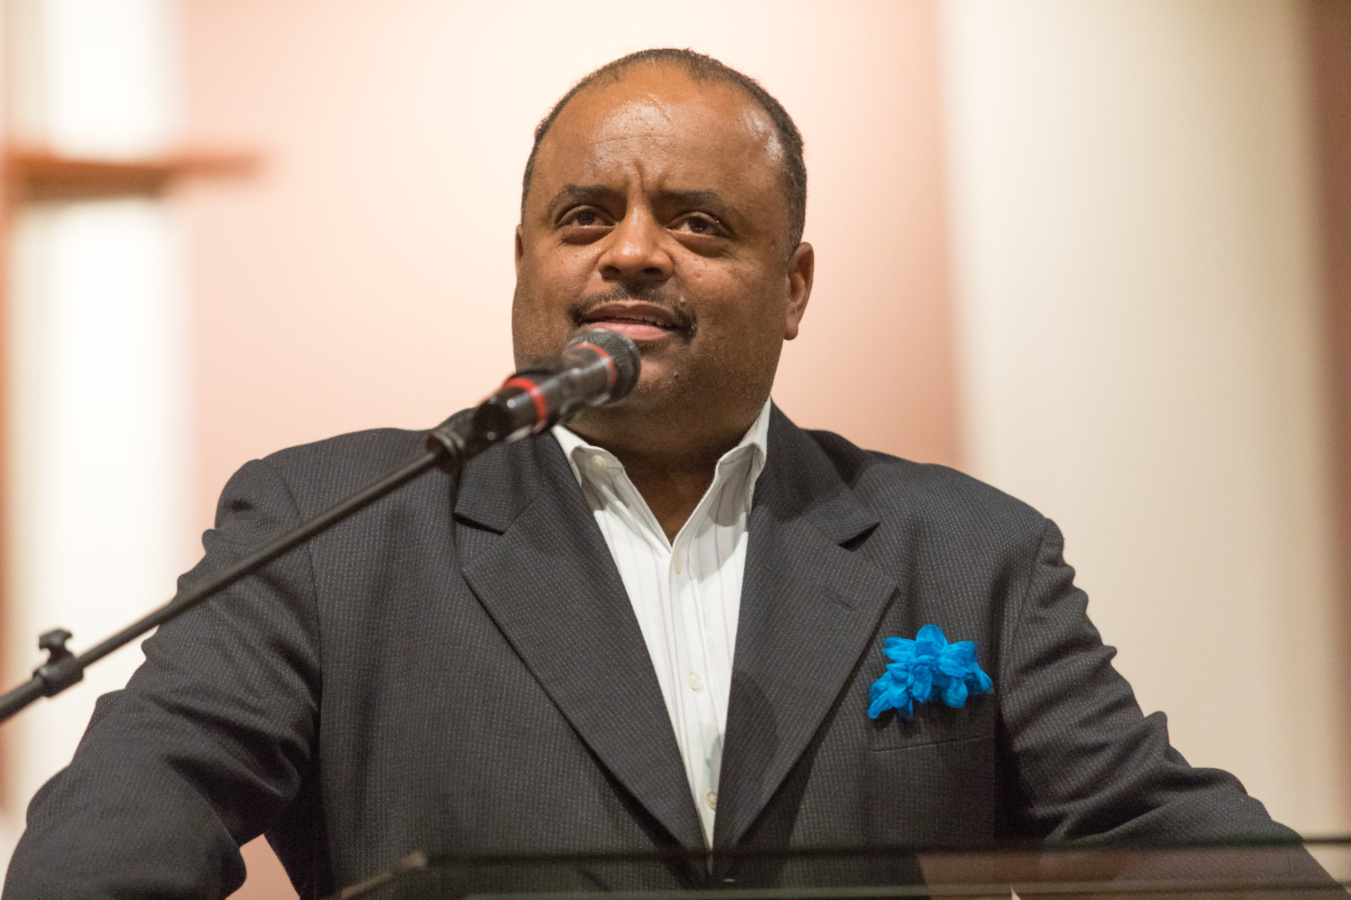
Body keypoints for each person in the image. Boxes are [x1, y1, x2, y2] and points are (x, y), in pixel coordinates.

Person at [3, 49, 1307, 899]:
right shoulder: (331, 529)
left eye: (697, 223)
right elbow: (118, 836)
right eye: (585, 218)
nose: (631, 252)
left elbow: (1166, 844)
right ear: (524, 262)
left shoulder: (966, 554)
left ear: (793, 287)